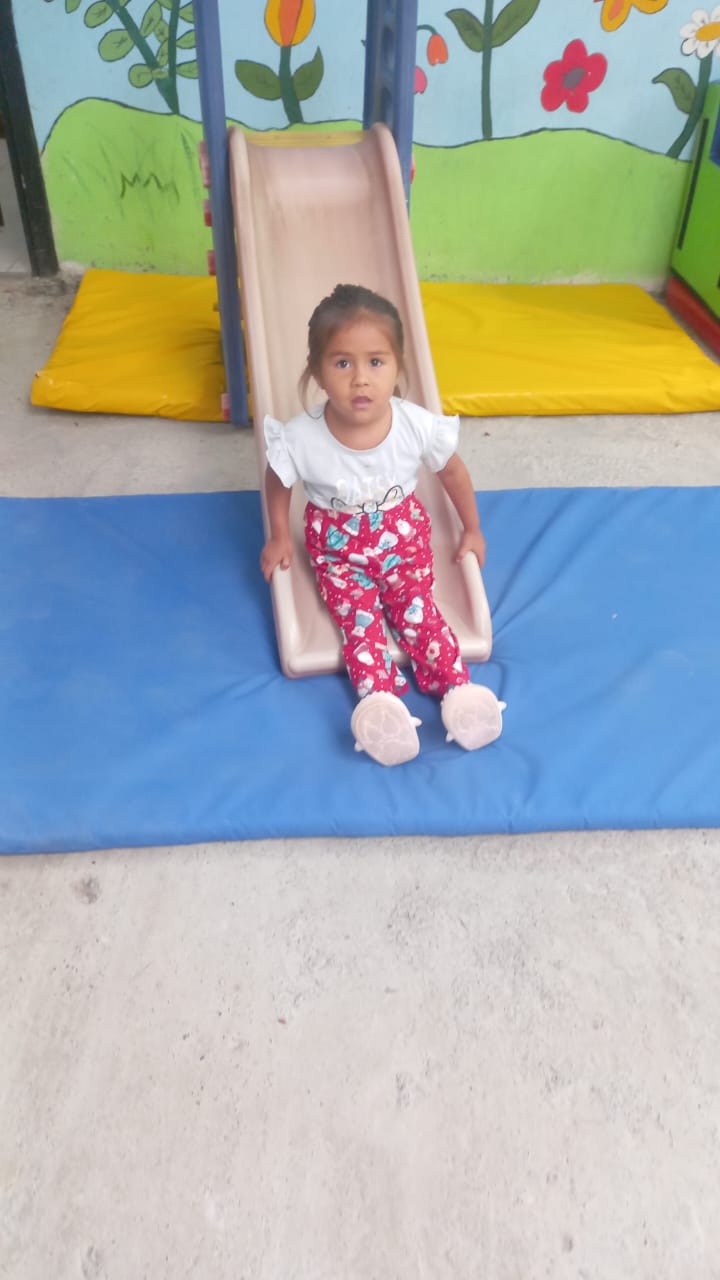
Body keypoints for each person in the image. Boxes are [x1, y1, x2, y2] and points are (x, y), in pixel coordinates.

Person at [260, 283, 506, 766]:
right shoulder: (301, 437)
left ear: (397, 367)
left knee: (420, 614)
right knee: (361, 626)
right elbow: (277, 480)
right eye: (342, 363)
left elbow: (453, 472)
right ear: (317, 372)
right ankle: (381, 708)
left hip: (404, 547)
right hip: (339, 555)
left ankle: (459, 692)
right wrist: (279, 536)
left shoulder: (415, 425)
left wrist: (472, 528)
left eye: (376, 362)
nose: (360, 380)